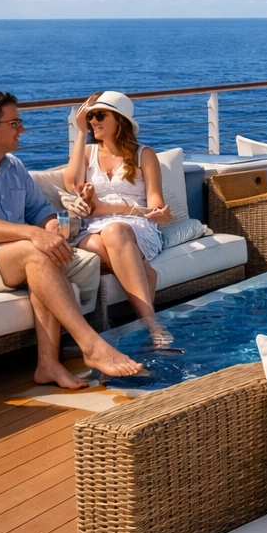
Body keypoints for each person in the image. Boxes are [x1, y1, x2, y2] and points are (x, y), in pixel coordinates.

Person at [0, 91, 142, 387]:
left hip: (6, 256)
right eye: (14, 123)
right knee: (34, 251)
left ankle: (48, 365)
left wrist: (51, 229)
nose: (22, 129)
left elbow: (41, 210)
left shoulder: (13, 167)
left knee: (45, 253)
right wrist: (34, 234)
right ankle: (93, 346)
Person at [64, 91, 174, 349]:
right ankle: (152, 323)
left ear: (120, 119)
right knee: (103, 241)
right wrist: (79, 133)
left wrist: (161, 212)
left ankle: (149, 326)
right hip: (92, 228)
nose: (93, 122)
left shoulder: (143, 154)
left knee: (115, 231)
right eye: (90, 117)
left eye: (99, 115)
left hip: (136, 226)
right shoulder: (88, 152)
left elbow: (155, 200)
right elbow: (72, 184)